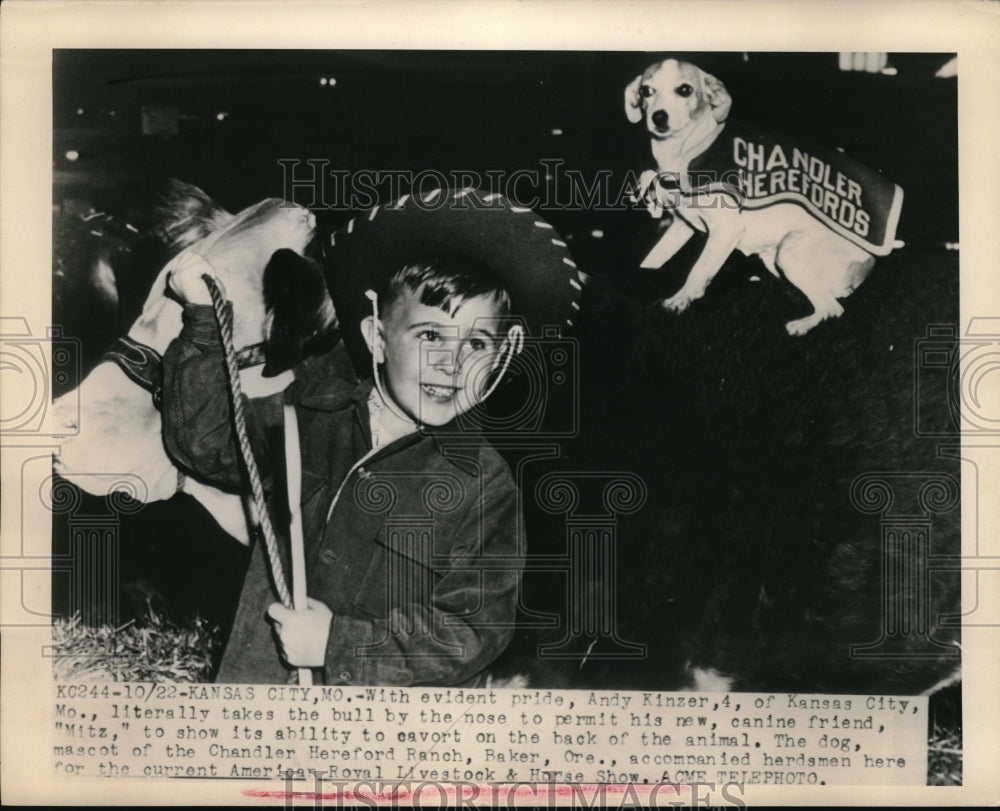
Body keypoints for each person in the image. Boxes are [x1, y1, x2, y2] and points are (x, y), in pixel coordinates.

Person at [161, 189, 583, 685]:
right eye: (430, 336)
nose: (452, 364)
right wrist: (203, 320)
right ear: (377, 338)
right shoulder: (309, 416)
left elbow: (475, 628)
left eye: (476, 342)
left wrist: (338, 643)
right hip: (260, 700)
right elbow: (204, 443)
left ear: (502, 355)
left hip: (378, 724)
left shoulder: (484, 485)